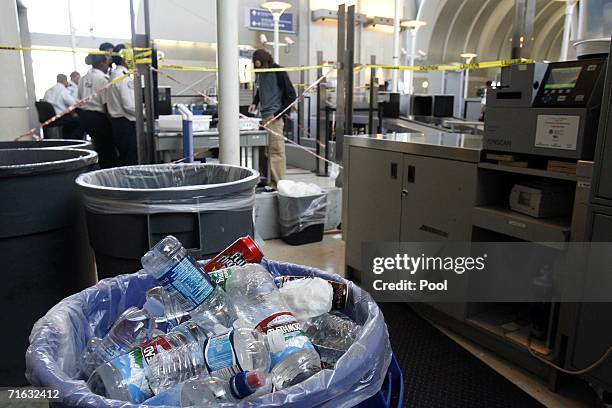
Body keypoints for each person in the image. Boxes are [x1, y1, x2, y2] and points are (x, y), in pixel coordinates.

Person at [249, 49, 296, 188]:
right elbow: (260, 89)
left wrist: (278, 114)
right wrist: (255, 102)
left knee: (276, 151)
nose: (261, 69)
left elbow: (291, 96)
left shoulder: (278, 71)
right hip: (263, 117)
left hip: (274, 118)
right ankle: (266, 179)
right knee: (263, 152)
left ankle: (278, 184)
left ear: (267, 61)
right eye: (258, 68)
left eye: (262, 66)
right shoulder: (261, 74)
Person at [78, 50, 118, 168]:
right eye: (107, 64)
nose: (108, 67)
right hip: (98, 118)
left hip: (85, 116)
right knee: (108, 150)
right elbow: (106, 104)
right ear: (102, 64)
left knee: (99, 146)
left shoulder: (83, 78)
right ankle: (108, 173)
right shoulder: (103, 80)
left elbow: (80, 97)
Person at [108, 44, 138, 166]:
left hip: (118, 123)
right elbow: (129, 105)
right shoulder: (123, 77)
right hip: (125, 124)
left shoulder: (116, 74)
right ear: (126, 58)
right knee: (130, 159)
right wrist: (147, 114)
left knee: (125, 157)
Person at [42, 74, 82, 139]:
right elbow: (74, 104)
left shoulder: (48, 91)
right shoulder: (63, 90)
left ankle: (67, 139)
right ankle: (73, 142)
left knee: (72, 119)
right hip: (60, 118)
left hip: (49, 118)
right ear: (65, 81)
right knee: (80, 121)